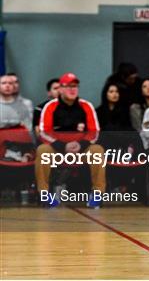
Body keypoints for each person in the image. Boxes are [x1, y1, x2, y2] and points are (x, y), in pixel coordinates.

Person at [35, 73, 104, 208]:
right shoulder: (50, 107)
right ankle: (44, 194)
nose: (72, 90)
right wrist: (63, 146)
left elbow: (94, 132)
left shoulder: (86, 106)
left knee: (97, 150)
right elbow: (44, 132)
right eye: (68, 86)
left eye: (75, 86)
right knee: (42, 150)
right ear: (60, 89)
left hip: (81, 150)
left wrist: (80, 144)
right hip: (58, 151)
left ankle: (97, 194)